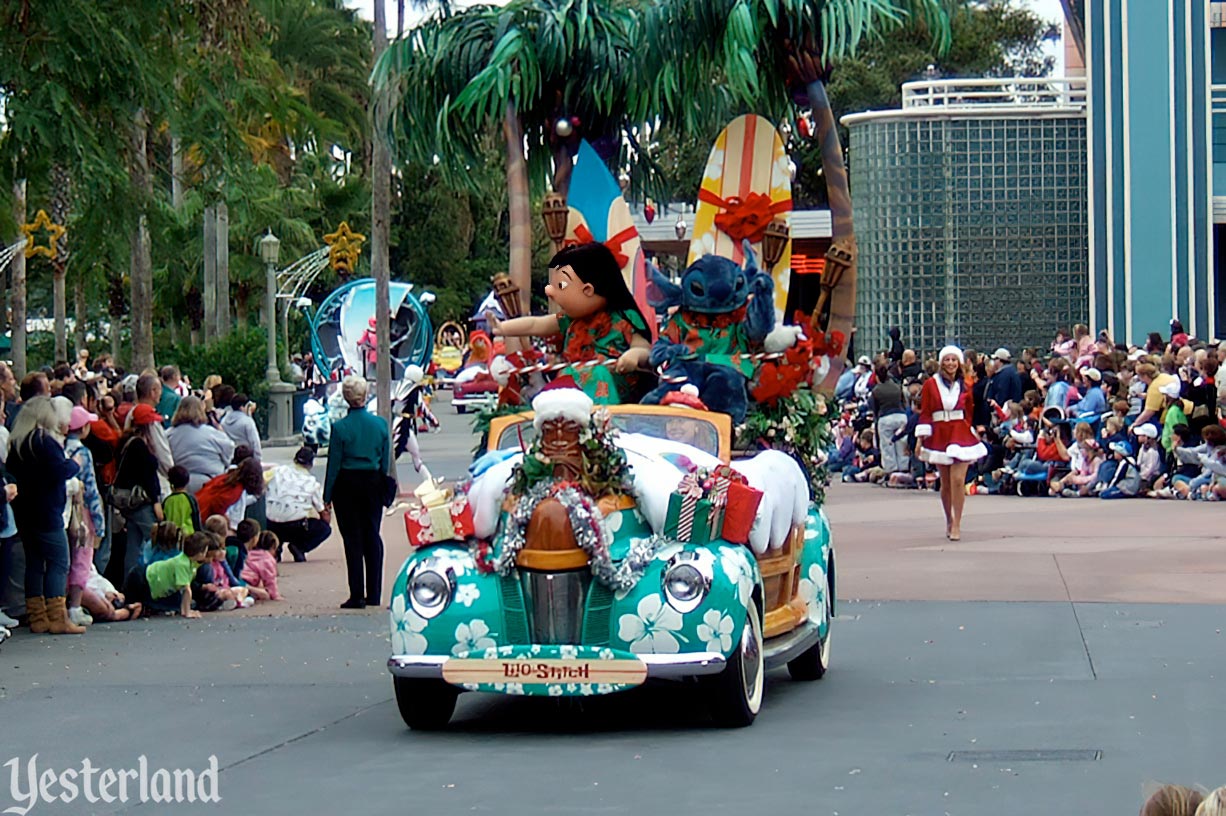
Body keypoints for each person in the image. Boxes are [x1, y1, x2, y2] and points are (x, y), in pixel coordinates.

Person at [489, 242, 652, 404]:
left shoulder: (625, 317)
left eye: (560, 286)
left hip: (612, 393)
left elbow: (644, 349)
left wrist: (635, 354)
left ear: (588, 289)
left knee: (598, 374)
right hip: (572, 389)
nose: (550, 292)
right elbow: (535, 324)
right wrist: (502, 327)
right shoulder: (569, 320)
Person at [6, 396, 84, 634]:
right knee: (59, 562)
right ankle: (58, 617)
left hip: (24, 512)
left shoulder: (18, 443)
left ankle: (38, 617)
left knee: (35, 564)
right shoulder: (44, 442)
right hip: (47, 512)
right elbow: (60, 470)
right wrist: (75, 463)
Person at [324, 376, 390, 609]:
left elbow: (334, 464)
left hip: (346, 484)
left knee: (352, 539)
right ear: (365, 395)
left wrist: (327, 496)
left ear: (345, 397)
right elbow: (386, 460)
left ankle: (357, 594)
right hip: (372, 481)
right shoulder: (381, 425)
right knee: (373, 534)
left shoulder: (340, 428)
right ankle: (374, 593)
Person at [915, 346, 987, 541]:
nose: (950, 363)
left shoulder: (966, 385)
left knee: (957, 480)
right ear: (941, 362)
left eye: (954, 360)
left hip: (960, 432)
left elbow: (970, 410)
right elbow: (926, 411)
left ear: (959, 362)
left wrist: (971, 429)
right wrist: (921, 438)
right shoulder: (931, 384)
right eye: (947, 360)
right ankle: (949, 518)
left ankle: (957, 523)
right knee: (945, 483)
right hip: (939, 433)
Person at [64, 405, 107, 627]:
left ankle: (60, 603)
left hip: (63, 511)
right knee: (82, 557)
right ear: (83, 428)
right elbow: (90, 488)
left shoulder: (60, 448)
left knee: (64, 558)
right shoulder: (82, 453)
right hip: (82, 513)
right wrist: (99, 523)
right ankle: (75, 606)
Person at [121, 530, 210, 619]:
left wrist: (184, 610)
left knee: (133, 605)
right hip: (143, 579)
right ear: (200, 553)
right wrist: (187, 612)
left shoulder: (188, 562)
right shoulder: (183, 564)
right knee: (125, 605)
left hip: (149, 581)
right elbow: (186, 590)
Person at [265, 446, 331, 563]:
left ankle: (275, 548)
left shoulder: (277, 471)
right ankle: (300, 547)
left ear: (295, 459)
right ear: (311, 463)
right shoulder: (311, 482)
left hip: (271, 524)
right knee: (325, 529)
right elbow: (323, 514)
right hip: (296, 527)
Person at [168, 396, 235, 494]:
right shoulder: (212, 433)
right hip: (209, 482)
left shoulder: (169, 435)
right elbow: (229, 448)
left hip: (179, 484)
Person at [195, 458, 266, 531]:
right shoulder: (236, 490)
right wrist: (228, 524)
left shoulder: (226, 477)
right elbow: (217, 506)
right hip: (202, 515)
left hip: (198, 505)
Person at [869, 363, 908, 475]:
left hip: (885, 417)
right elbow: (904, 402)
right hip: (901, 416)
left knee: (887, 445)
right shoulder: (897, 387)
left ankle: (891, 470)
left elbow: (873, 407)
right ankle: (904, 468)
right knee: (902, 443)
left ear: (877, 376)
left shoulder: (876, 390)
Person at [240, 530, 282, 601]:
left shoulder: (250, 553)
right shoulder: (267, 558)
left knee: (260, 585)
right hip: (248, 581)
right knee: (264, 595)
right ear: (272, 546)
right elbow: (270, 580)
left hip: (240, 578)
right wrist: (275, 595)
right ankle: (247, 597)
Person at [220, 393, 262, 459]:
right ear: (242, 407)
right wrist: (258, 458)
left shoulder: (224, 420)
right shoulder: (247, 421)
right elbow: (255, 442)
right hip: (246, 456)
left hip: (230, 456)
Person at [163, 466, 203, 535]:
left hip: (171, 537)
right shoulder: (190, 499)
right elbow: (196, 520)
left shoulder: (167, 501)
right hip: (189, 537)